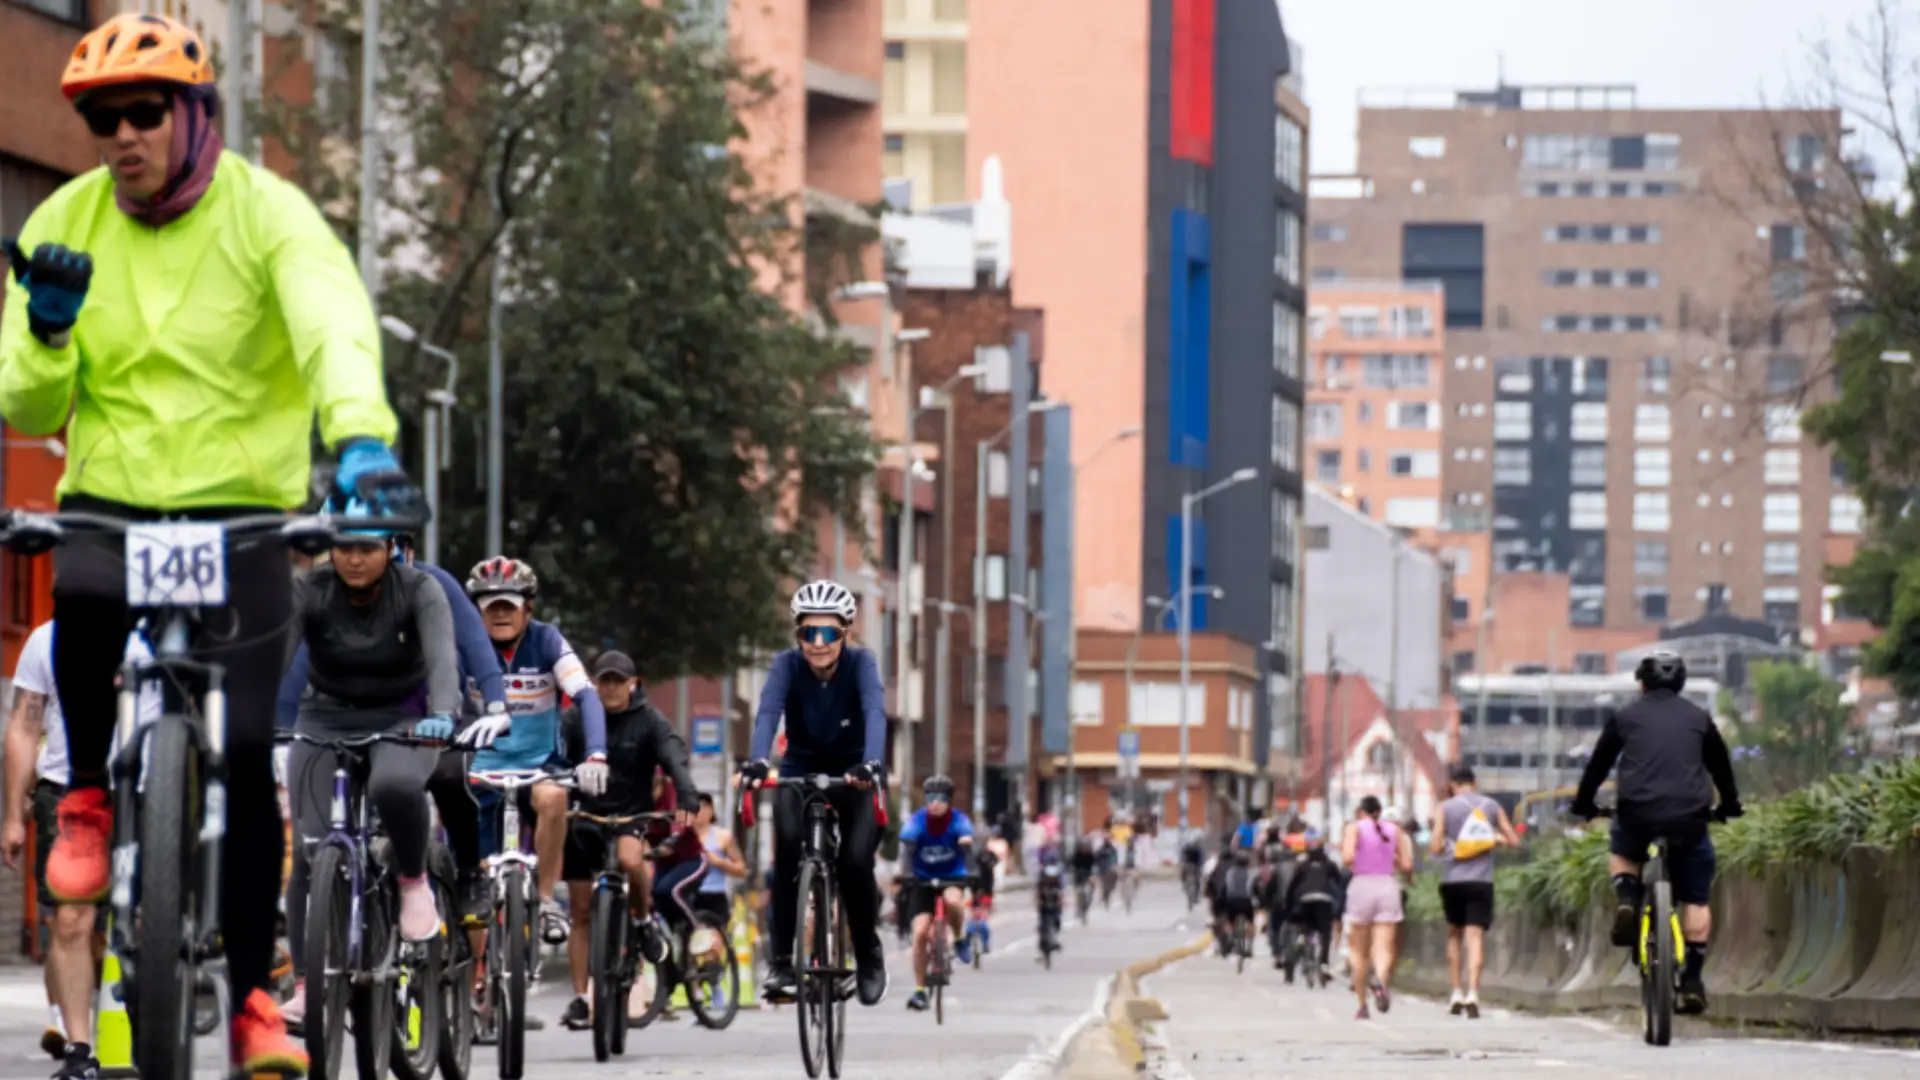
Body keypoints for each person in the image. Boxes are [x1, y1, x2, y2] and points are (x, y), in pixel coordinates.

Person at [1, 13, 421, 1070]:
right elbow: (26, 395)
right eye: (103, 119)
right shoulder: (67, 216)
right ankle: (90, 798)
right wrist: (48, 330)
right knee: (84, 601)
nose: (123, 134)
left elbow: (333, 328)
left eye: (145, 112)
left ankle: (248, 1007)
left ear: (197, 115)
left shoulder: (269, 216)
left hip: (242, 511)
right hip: (114, 496)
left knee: (240, 757)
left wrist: (362, 443)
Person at [281, 513, 461, 1025]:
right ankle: (304, 985)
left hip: (402, 719)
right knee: (312, 851)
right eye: (343, 549)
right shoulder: (310, 590)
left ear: (391, 549)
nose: (354, 559)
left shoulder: (419, 589)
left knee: (396, 785)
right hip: (323, 716)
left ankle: (411, 880)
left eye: (366, 549)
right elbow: (277, 653)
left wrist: (443, 715)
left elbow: (443, 658)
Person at [276, 531, 509, 924]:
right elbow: (299, 663)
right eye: (347, 550)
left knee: (450, 774)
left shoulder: (429, 586)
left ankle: (468, 872)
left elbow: (474, 646)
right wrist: (279, 721)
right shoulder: (329, 594)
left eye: (375, 551)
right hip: (353, 713)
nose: (359, 563)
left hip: (432, 707)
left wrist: (496, 703)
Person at [739, 580, 889, 1007]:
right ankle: (783, 962)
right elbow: (768, 711)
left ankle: (868, 954)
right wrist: (756, 760)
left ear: (846, 632)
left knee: (855, 863)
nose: (818, 644)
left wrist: (872, 764)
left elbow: (876, 712)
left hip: (856, 771)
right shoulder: (786, 666)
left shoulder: (862, 664)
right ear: (797, 635)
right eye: (809, 633)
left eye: (829, 634)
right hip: (799, 770)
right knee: (786, 854)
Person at [1572, 649, 1742, 1016]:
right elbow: (1721, 767)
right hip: (1690, 819)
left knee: (1623, 851)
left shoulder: (1624, 717)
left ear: (1642, 684)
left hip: (1637, 816)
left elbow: (1598, 765)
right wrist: (1729, 805)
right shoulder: (1700, 718)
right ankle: (1692, 981)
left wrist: (1583, 804)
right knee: (1695, 899)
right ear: (1680, 684)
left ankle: (1628, 899)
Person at [459, 556, 609, 945]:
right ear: (478, 611)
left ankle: (544, 900)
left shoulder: (547, 640)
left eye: (509, 605)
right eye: (491, 607)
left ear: (528, 607)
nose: (501, 614)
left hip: (538, 767)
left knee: (555, 797)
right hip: (480, 769)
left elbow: (586, 695)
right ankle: (474, 981)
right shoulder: (465, 645)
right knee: (474, 914)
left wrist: (595, 754)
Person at [556, 650, 697, 1031]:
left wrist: (686, 794)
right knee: (580, 913)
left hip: (630, 817)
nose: (612, 688)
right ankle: (584, 997)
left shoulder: (649, 719)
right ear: (595, 683)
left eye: (620, 680)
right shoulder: (576, 718)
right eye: (605, 680)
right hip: (583, 816)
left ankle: (641, 921)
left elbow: (673, 756)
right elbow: (554, 758)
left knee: (633, 861)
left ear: (633, 683)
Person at [2, 621, 102, 1076]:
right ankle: (78, 1049)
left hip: (149, 790)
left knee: (139, 925)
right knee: (69, 921)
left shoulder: (158, 630)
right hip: (70, 792)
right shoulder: (46, 639)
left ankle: (152, 1021)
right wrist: (11, 814)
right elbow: (24, 727)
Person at [1431, 765, 1520, 1018]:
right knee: (1475, 937)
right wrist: (1492, 839)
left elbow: (1435, 846)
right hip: (1482, 881)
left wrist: (1451, 843)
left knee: (1454, 936)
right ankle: (1474, 993)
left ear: (1452, 784)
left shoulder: (1445, 808)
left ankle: (1456, 991)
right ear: (1474, 782)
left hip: (1452, 880)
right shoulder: (1491, 806)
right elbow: (1514, 840)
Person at [899, 775, 975, 1011]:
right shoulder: (917, 820)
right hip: (922, 881)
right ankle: (920, 990)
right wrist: (905, 874)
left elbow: (967, 841)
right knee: (920, 932)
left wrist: (970, 865)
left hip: (952, 876)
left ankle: (959, 936)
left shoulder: (959, 820)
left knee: (953, 901)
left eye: (941, 798)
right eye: (930, 798)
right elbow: (908, 846)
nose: (935, 803)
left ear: (949, 800)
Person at [1342, 795, 1413, 1019]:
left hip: (1362, 885)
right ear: (1379, 812)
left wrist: (1360, 861)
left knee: (1359, 951)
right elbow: (1407, 864)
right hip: (1387, 886)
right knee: (1384, 946)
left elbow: (1347, 857)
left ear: (1360, 811)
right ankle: (1381, 979)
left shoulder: (1354, 828)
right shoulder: (1395, 830)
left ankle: (1362, 1005)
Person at [1282, 831, 1344, 982]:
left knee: (1305, 925)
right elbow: (1340, 884)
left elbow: (1292, 887)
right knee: (1325, 934)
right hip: (1325, 901)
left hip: (1304, 901)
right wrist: (1338, 909)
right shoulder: (1330, 865)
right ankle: (1323, 964)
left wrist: (1289, 907)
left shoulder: (1302, 866)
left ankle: (1302, 940)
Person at [691, 792, 747, 926]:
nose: (701, 811)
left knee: (714, 939)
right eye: (697, 807)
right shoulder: (683, 836)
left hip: (715, 894)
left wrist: (719, 862)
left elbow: (741, 869)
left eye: (705, 806)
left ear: (712, 810)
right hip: (690, 895)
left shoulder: (723, 836)